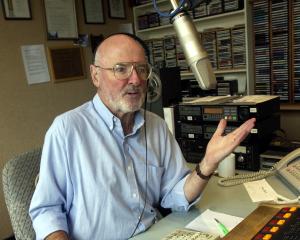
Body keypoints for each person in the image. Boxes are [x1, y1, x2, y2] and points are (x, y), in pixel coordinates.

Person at [29, 33, 255, 240]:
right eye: (121, 69)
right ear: (95, 75)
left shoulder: (155, 126)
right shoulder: (67, 129)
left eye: (142, 69)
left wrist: (207, 164)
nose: (135, 79)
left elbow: (174, 195)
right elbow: (46, 210)